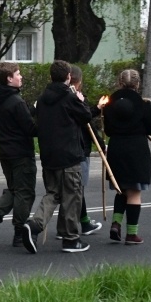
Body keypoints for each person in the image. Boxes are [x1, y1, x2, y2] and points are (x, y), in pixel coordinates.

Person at [21, 60, 92, 254]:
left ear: (51, 76)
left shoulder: (43, 98)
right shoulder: (69, 97)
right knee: (72, 196)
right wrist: (80, 99)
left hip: (49, 155)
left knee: (53, 194)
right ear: (68, 76)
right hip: (69, 155)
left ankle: (34, 225)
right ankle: (71, 239)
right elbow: (86, 116)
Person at [0, 62, 38, 248]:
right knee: (25, 192)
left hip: (5, 151)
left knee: (14, 189)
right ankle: (20, 232)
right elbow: (30, 128)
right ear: (9, 79)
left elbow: (15, 120)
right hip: (21, 152)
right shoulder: (16, 101)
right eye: (18, 74)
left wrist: (32, 111)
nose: (21, 77)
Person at [103, 69, 151, 244]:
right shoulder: (144, 104)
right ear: (138, 84)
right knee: (134, 192)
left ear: (119, 83)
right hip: (136, 151)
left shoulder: (110, 105)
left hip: (116, 150)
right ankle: (132, 234)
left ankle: (116, 224)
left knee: (121, 190)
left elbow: (108, 131)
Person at [54, 65, 105, 238]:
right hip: (79, 150)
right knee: (76, 189)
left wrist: (96, 109)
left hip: (63, 149)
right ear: (78, 81)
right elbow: (86, 121)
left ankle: (71, 225)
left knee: (70, 189)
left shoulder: (59, 97)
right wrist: (100, 144)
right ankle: (79, 224)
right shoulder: (73, 98)